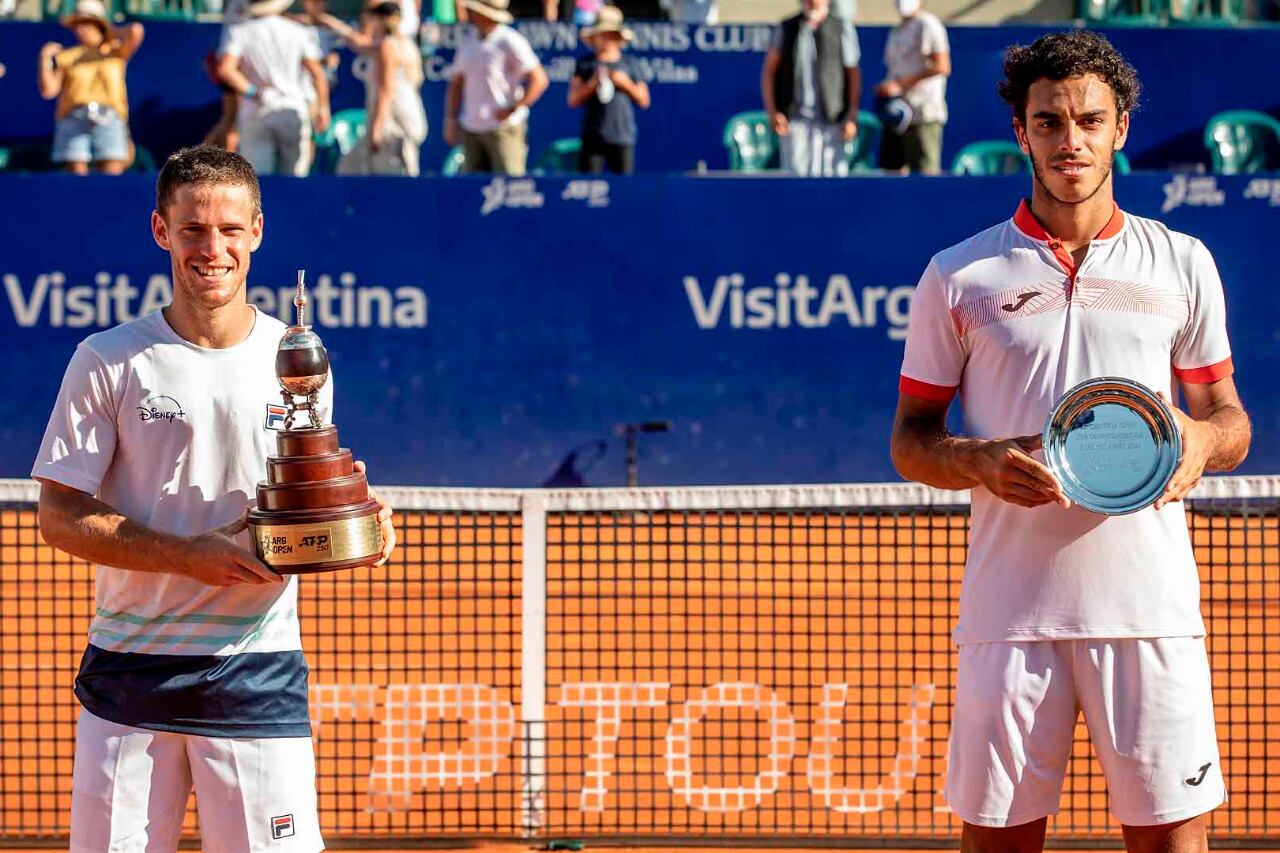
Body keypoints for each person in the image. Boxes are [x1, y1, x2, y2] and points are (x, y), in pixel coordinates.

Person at [890, 31, 1251, 853]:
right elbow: (911, 440)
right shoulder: (959, 275)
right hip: (1010, 617)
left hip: (1151, 612)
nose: (1070, 140)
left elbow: (1231, 420)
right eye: (1048, 121)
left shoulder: (1183, 263)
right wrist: (976, 459)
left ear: (1120, 127)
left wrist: (1198, 440)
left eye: (1089, 119)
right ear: (1021, 131)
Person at [32, 145, 397, 851]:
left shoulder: (298, 361)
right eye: (193, 229)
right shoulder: (106, 359)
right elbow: (59, 516)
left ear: (256, 231)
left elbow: (303, 497)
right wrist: (188, 556)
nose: (213, 247)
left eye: (230, 229)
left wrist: (358, 524)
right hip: (129, 671)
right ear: (161, 231)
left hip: (255, 669)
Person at [217, 0, 332, 177]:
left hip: (257, 111)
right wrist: (323, 109)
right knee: (296, 181)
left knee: (256, 182)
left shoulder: (240, 31)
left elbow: (226, 69)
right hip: (293, 109)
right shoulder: (299, 32)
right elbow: (318, 74)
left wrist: (253, 92)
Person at [37, 0, 144, 175]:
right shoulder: (68, 56)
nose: (80, 29)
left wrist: (109, 32)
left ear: (98, 25)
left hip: (109, 117)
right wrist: (44, 59)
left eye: (86, 23)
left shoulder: (115, 51)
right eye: (77, 24)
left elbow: (136, 31)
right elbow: (48, 91)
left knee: (112, 176)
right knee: (76, 179)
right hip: (74, 118)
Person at [443, 0, 548, 176]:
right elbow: (456, 84)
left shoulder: (510, 40)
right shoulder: (468, 41)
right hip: (472, 127)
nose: (471, 14)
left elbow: (539, 79)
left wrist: (514, 107)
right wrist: (451, 119)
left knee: (509, 187)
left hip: (504, 129)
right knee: (472, 190)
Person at [760, 0, 861, 177]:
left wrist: (851, 116)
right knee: (796, 181)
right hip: (795, 123)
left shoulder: (841, 28)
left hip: (833, 122)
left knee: (833, 181)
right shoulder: (787, 28)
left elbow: (853, 75)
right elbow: (769, 73)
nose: (812, 2)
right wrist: (773, 112)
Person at [336, 1, 428, 176]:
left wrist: (377, 128)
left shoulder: (387, 46)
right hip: (408, 119)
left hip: (392, 125)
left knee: (388, 180)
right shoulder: (408, 46)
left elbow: (386, 89)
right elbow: (357, 41)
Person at [568, 6, 649, 175]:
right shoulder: (585, 64)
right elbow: (573, 99)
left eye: (611, 35)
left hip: (622, 135)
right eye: (602, 35)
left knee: (625, 189)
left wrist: (624, 83)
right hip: (593, 135)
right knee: (589, 187)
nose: (606, 40)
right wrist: (593, 83)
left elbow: (644, 99)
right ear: (595, 37)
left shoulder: (629, 64)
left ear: (618, 37)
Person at [875, 0, 949, 174]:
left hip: (922, 115)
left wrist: (899, 85)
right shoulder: (897, 31)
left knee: (924, 175)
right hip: (896, 115)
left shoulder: (928, 24)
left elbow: (942, 65)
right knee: (891, 172)